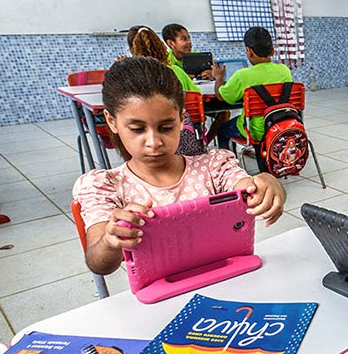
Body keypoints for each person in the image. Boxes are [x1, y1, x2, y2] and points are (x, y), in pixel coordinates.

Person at [72, 57, 285, 275]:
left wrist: (266, 182)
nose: (154, 142)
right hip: (161, 295)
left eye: (166, 127)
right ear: (111, 121)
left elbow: (249, 187)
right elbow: (99, 264)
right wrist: (110, 240)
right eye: (137, 129)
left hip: (226, 279)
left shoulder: (213, 167)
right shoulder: (106, 186)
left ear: (182, 119)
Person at [122, 25, 203, 155]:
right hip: (181, 136)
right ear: (161, 45)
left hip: (148, 143)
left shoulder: (131, 77)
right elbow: (196, 95)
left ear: (132, 50)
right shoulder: (176, 71)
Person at [210, 27, 293, 151]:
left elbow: (221, 97)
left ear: (249, 51)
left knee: (222, 129)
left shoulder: (243, 75)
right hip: (283, 124)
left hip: (255, 131)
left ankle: (227, 165)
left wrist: (218, 78)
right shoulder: (284, 70)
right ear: (272, 51)